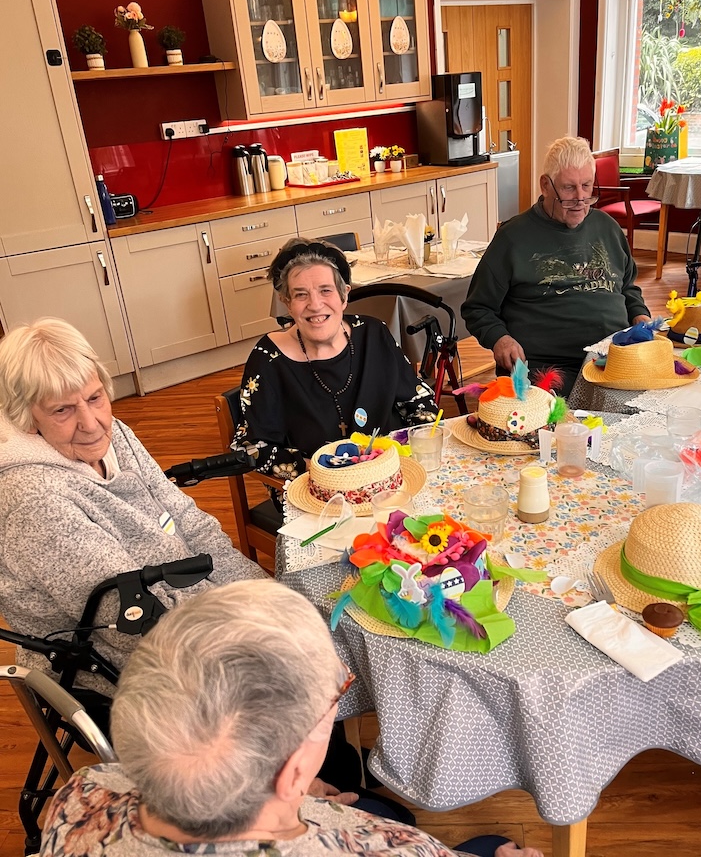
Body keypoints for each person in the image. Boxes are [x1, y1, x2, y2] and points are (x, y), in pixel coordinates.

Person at [40, 579, 542, 857]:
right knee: (493, 844)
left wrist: (289, 793)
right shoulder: (399, 850)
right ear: (293, 772)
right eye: (333, 696)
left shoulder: (82, 794)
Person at [0, 318, 266, 696]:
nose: (92, 424)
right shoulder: (35, 500)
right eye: (62, 411)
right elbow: (131, 625)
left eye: (95, 398)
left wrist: (260, 597)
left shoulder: (117, 434)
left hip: (184, 603)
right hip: (113, 656)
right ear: (27, 419)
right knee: (279, 685)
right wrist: (248, 633)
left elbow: (192, 525)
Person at [232, 238, 438, 480]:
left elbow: (419, 402)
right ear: (287, 303)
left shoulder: (374, 334)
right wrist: (322, 471)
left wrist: (404, 453)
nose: (315, 304)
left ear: (344, 296)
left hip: (387, 472)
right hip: (314, 485)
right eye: (300, 295)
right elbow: (252, 448)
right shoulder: (268, 358)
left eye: (325, 290)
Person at [462, 136, 651, 397]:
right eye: (569, 188)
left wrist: (640, 315)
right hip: (548, 372)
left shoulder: (607, 228)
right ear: (545, 185)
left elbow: (627, 287)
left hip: (614, 362)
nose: (581, 198)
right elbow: (477, 308)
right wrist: (500, 339)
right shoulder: (512, 237)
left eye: (587, 186)